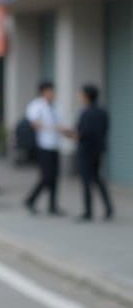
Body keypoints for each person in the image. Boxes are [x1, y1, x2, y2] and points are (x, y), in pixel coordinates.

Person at [64, 84, 113, 222]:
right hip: (98, 150)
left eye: (80, 94)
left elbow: (80, 134)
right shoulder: (103, 112)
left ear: (86, 96)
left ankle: (88, 212)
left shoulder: (85, 113)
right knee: (97, 179)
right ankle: (109, 208)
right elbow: (105, 129)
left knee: (86, 181)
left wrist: (66, 133)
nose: (79, 97)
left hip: (85, 151)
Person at [24, 80, 64, 216]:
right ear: (43, 92)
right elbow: (34, 123)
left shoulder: (57, 106)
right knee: (46, 176)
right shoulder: (36, 106)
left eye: (52, 91)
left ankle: (53, 205)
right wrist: (52, 128)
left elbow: (60, 123)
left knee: (55, 177)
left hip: (55, 145)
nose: (51, 93)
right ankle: (30, 199)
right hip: (43, 146)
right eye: (49, 91)